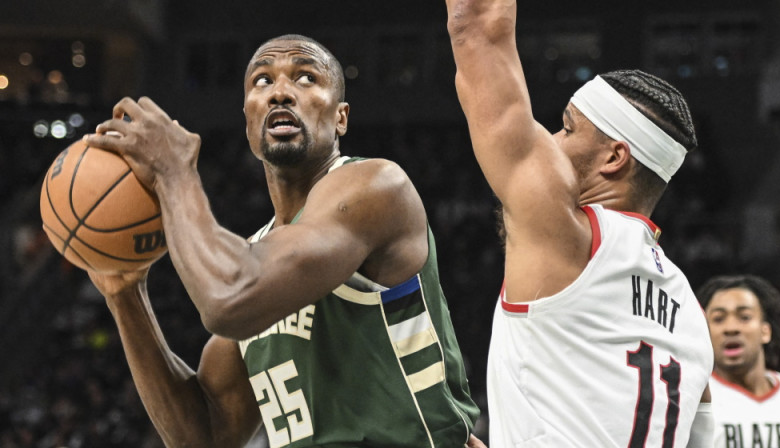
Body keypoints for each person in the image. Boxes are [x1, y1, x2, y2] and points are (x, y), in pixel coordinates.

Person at [83, 34, 484, 448]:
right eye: (261, 81)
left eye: (306, 77)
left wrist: (174, 173)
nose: (280, 92)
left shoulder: (377, 186)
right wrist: (126, 294)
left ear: (341, 117)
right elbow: (204, 436)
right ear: (248, 119)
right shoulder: (258, 256)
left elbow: (228, 299)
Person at [443, 1, 715, 446]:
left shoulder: (568, 234)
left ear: (614, 158)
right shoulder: (693, 313)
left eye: (567, 130)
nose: (551, 140)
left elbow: (475, 25)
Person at [696, 275, 780, 447]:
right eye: (718, 319)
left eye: (744, 317)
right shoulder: (695, 399)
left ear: (765, 331)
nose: (731, 328)